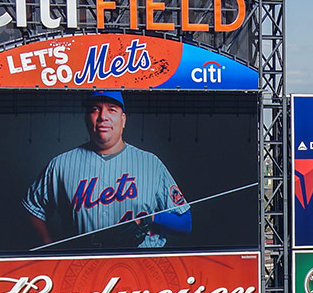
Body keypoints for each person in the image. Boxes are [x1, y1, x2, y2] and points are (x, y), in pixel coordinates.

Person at [24, 90, 190, 251]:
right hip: (82, 266)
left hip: (140, 264)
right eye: (95, 109)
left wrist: (150, 219)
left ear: (123, 120)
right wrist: (50, 250)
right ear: (86, 118)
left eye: (112, 109)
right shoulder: (61, 164)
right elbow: (33, 209)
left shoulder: (151, 163)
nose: (103, 116)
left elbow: (185, 222)